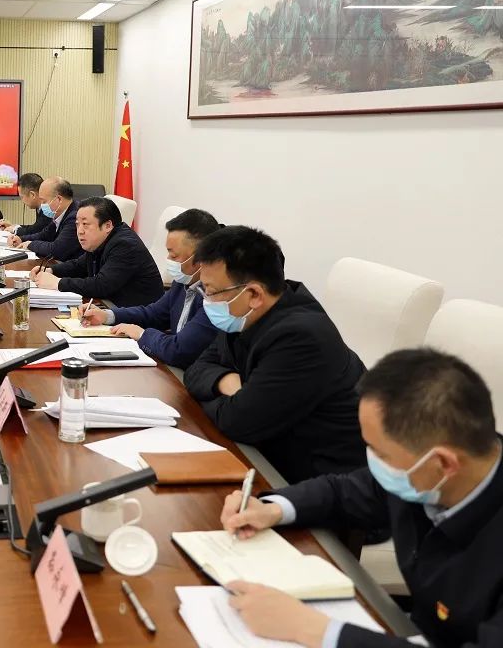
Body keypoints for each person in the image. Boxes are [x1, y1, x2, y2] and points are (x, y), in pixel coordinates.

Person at [220, 349, 503, 648]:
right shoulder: (429, 472)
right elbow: (347, 491)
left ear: (443, 464)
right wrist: (273, 508)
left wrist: (316, 631)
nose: (372, 462)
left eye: (381, 453)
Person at [184, 226, 366, 483]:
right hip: (267, 451)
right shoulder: (244, 314)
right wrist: (226, 382)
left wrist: (225, 396)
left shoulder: (301, 337)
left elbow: (238, 422)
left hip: (318, 479)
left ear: (254, 294)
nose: (208, 301)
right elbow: (196, 370)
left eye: (211, 292)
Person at [82, 208, 220, 368]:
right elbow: (153, 314)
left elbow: (179, 350)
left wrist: (142, 334)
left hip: (190, 372)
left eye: (174, 255)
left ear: (201, 258)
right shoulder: (183, 281)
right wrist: (107, 316)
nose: (168, 259)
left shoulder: (216, 297)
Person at [30, 197, 162, 308]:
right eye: (77, 224)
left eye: (85, 224)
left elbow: (101, 285)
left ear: (107, 226)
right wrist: (51, 270)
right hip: (110, 307)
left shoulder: (125, 245)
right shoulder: (100, 241)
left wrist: (57, 283)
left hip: (137, 319)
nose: (80, 231)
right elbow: (79, 265)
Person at [7, 177, 82, 262]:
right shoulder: (60, 214)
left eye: (44, 201)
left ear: (59, 199)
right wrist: (21, 239)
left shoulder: (75, 216)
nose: (42, 206)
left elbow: (57, 250)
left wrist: (31, 244)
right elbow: (44, 235)